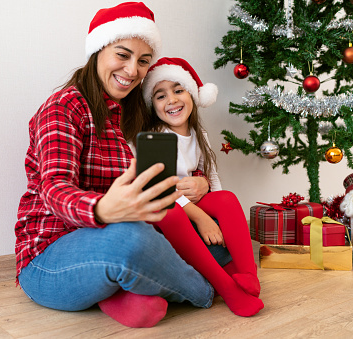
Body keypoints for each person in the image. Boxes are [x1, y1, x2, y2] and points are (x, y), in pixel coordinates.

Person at [15, 2, 225, 328]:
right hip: (49, 259)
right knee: (132, 240)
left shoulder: (133, 115)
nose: (132, 71)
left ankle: (123, 294)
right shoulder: (64, 106)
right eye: (123, 55)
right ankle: (208, 289)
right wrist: (102, 210)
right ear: (99, 49)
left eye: (143, 62)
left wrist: (201, 182)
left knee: (196, 235)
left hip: (121, 240)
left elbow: (172, 168)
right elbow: (53, 188)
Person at [137, 57, 264, 317]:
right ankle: (227, 288)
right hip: (165, 206)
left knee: (226, 198)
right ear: (153, 106)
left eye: (178, 90)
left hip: (190, 201)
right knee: (170, 211)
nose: (171, 99)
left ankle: (249, 275)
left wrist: (219, 212)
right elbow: (161, 191)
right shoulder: (156, 137)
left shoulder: (200, 135)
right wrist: (203, 218)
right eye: (160, 96)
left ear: (193, 96)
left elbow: (212, 178)